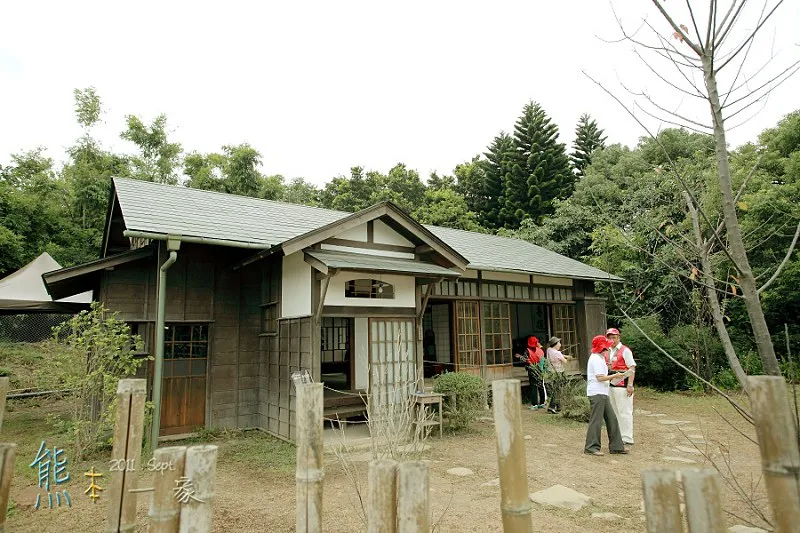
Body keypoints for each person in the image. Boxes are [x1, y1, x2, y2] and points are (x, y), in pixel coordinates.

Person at [584, 335, 628, 456]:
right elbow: (600, 378)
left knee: (612, 419)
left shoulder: (599, 358)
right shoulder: (596, 359)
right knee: (596, 421)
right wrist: (614, 376)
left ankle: (617, 446)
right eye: (605, 348)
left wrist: (613, 375)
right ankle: (591, 447)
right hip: (597, 392)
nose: (607, 349)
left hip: (602, 392)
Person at [606, 327, 636, 445]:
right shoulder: (608, 350)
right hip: (611, 384)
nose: (612, 340)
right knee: (614, 411)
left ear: (618, 337)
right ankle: (618, 435)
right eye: (610, 337)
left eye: (614, 337)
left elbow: (632, 368)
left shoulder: (625, 350)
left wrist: (630, 385)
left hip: (623, 384)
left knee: (625, 411)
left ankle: (627, 437)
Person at [517, 336, 546, 410]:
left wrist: (519, 357)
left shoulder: (527, 350)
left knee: (534, 386)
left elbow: (524, 360)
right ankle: (542, 403)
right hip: (540, 369)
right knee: (540, 385)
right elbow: (543, 360)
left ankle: (535, 404)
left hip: (532, 369)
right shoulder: (540, 350)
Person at [545, 336, 567, 414]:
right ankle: (551, 407)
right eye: (559, 343)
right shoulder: (557, 353)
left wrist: (563, 355)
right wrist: (566, 357)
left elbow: (558, 356)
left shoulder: (549, 350)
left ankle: (558, 406)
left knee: (557, 389)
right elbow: (565, 361)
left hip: (552, 372)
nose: (560, 344)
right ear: (555, 344)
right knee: (557, 390)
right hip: (558, 373)